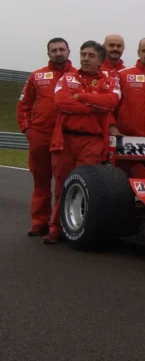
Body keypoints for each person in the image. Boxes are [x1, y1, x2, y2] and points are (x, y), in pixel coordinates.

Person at [46, 41, 121, 243]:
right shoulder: (67, 77)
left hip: (93, 141)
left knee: (85, 186)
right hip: (66, 139)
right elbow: (61, 102)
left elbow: (111, 102)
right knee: (61, 184)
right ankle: (55, 228)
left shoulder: (110, 81)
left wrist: (80, 97)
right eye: (83, 54)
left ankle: (80, 228)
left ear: (100, 60)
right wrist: (93, 106)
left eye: (90, 55)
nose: (85, 58)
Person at [16, 38, 77, 237]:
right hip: (41, 135)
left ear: (69, 51)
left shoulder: (78, 76)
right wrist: (28, 130)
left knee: (64, 182)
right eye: (54, 50)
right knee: (41, 182)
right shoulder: (37, 76)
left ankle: (58, 225)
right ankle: (39, 221)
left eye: (62, 49)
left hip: (67, 137)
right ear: (48, 53)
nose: (58, 53)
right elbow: (23, 105)